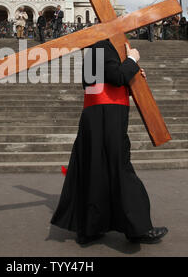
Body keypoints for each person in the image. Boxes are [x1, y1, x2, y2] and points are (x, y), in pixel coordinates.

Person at [51, 39, 168, 245]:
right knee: (120, 168)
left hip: (98, 114)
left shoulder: (97, 47)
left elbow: (101, 81)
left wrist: (132, 76)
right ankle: (138, 227)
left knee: (96, 169)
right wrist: (132, 60)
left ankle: (90, 228)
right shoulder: (103, 45)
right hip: (106, 114)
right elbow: (116, 76)